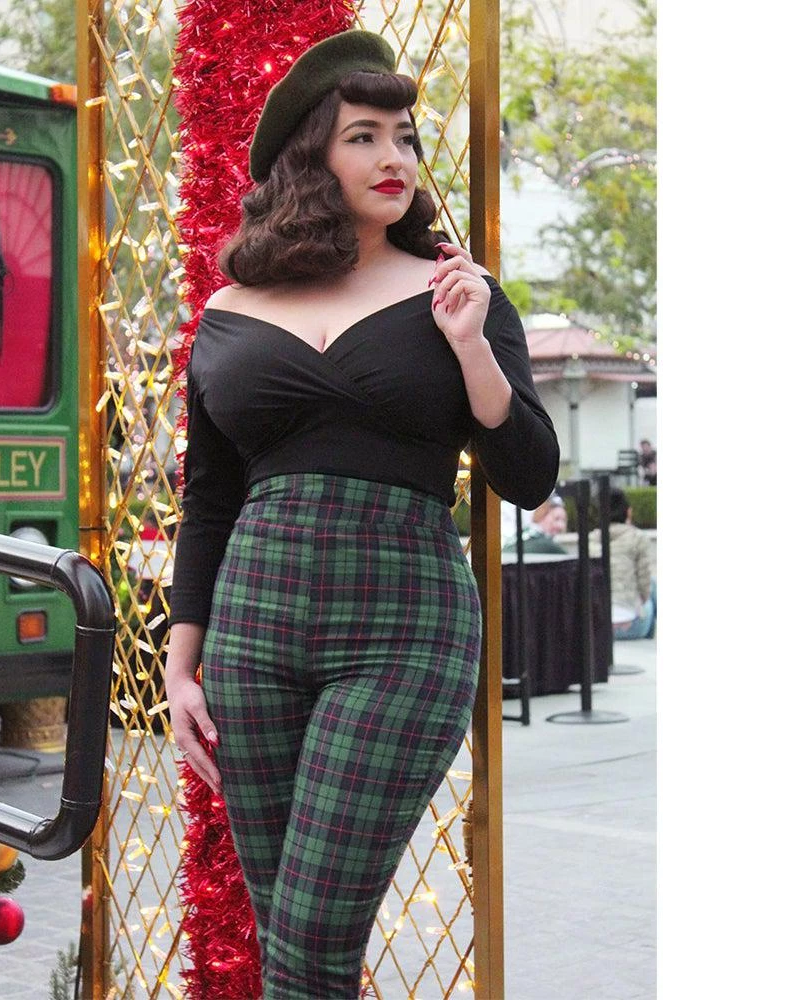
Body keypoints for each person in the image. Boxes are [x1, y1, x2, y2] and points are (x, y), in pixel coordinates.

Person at [164, 30, 559, 999]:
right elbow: (209, 498)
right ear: (311, 156)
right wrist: (179, 663)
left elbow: (529, 472)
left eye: (405, 138)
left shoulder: (455, 292)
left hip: (404, 630)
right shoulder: (230, 309)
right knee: (285, 939)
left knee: (311, 938)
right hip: (253, 632)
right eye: (365, 137)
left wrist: (471, 347)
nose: (395, 158)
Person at [590, 487, 656, 640]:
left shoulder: (590, 540)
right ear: (628, 512)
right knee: (653, 586)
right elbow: (645, 587)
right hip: (632, 625)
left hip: (599, 626)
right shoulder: (638, 538)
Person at [501, 495, 567, 555]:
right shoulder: (546, 545)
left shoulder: (522, 535)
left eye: (564, 520)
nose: (561, 525)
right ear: (542, 514)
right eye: (556, 519)